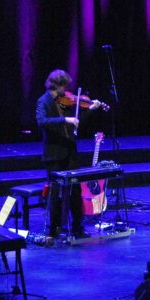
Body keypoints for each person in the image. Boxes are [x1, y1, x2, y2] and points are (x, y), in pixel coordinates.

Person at [36, 69, 103, 239]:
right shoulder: (43, 101)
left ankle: (77, 227)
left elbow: (77, 121)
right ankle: (54, 228)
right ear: (56, 85)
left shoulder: (66, 102)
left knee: (75, 193)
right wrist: (65, 120)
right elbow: (42, 122)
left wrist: (91, 109)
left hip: (70, 153)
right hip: (54, 155)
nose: (66, 91)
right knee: (56, 193)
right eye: (64, 87)